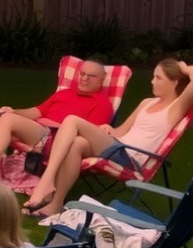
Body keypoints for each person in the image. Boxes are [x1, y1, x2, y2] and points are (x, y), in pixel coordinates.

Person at [24, 59, 193, 218]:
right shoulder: (147, 102)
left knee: (71, 120)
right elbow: (122, 131)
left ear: (175, 82)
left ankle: (46, 182)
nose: (152, 81)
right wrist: (109, 130)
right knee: (77, 143)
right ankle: (55, 204)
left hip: (129, 157)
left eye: (158, 78)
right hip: (118, 146)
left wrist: (184, 68)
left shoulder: (175, 109)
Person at [0, 57, 114, 190]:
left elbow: (84, 136)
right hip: (41, 132)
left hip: (60, 142)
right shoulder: (65, 93)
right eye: (82, 74)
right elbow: (36, 111)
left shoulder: (102, 104)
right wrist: (13, 111)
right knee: (7, 118)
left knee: (9, 124)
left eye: (90, 76)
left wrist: (49, 123)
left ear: (102, 80)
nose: (84, 79)